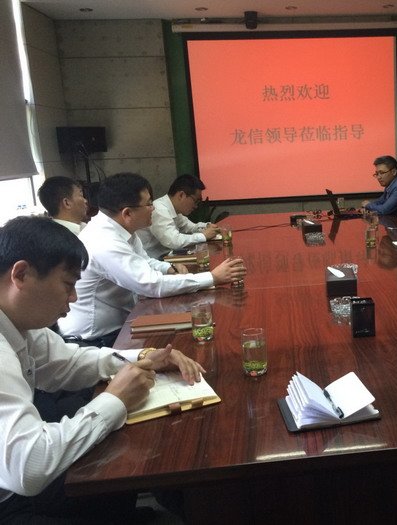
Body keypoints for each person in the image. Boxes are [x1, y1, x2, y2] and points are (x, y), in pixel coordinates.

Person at [0, 216, 204, 523]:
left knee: (118, 456)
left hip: (15, 482)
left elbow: (66, 363)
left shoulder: (19, 321)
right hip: (11, 498)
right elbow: (28, 467)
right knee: (114, 446)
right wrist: (114, 399)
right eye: (68, 284)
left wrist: (144, 357)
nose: (74, 298)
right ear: (21, 274)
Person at [58, 172, 246, 345]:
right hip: (96, 340)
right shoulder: (104, 241)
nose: (153, 208)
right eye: (148, 204)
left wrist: (169, 268)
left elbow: (145, 261)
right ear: (127, 213)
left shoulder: (120, 227)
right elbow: (151, 285)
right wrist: (213, 277)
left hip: (123, 324)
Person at [137, 174, 220, 259]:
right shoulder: (159, 209)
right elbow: (173, 241)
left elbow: (190, 227)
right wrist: (203, 236)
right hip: (153, 260)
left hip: (167, 256)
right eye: (195, 201)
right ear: (181, 195)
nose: (196, 206)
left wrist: (207, 226)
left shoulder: (174, 209)